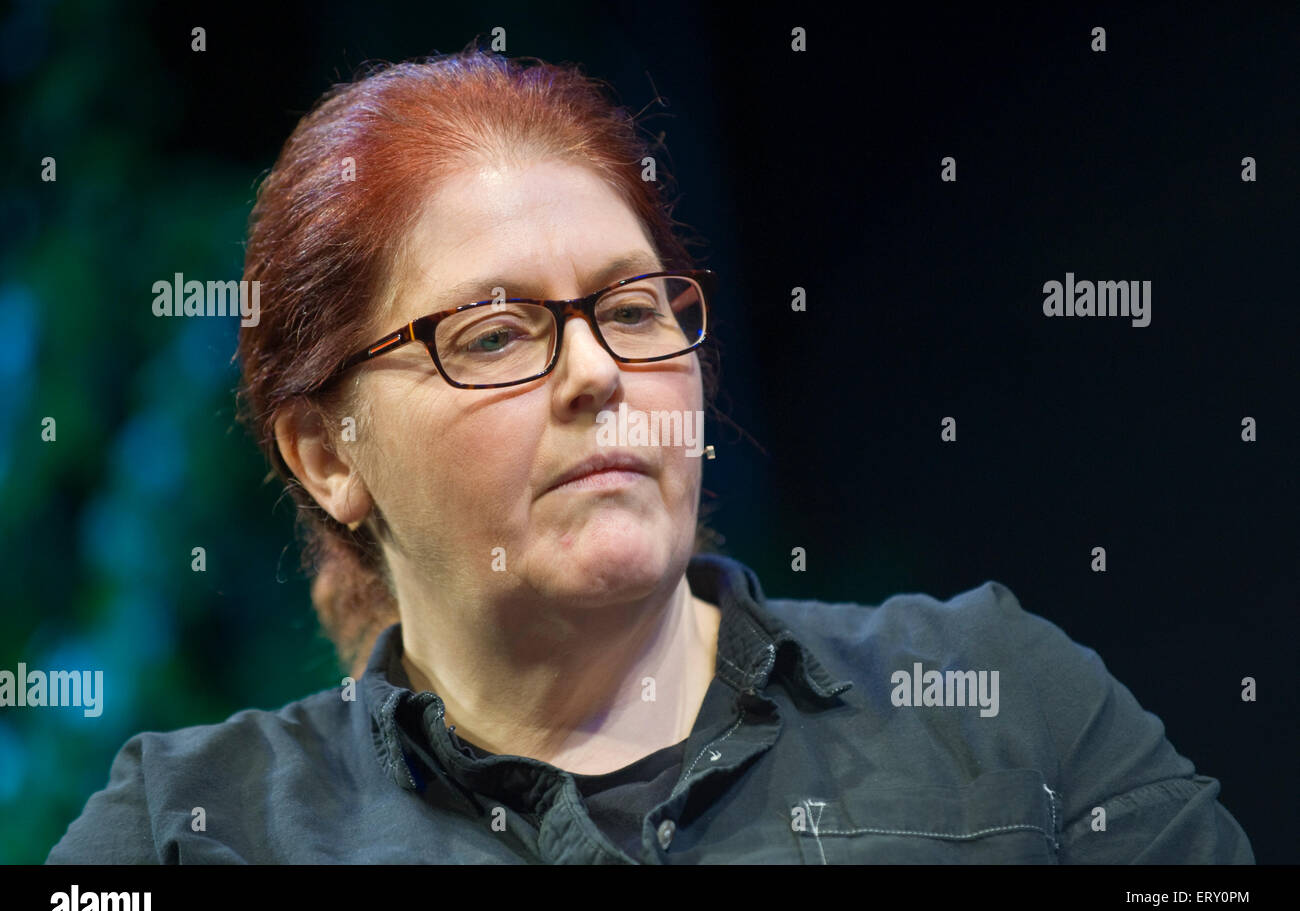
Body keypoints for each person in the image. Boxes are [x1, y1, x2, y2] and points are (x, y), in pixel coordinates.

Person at [46, 49, 1254, 864]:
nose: (596, 372)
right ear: (329, 453)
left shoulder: (999, 700)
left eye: (631, 309)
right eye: (497, 331)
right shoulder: (189, 830)